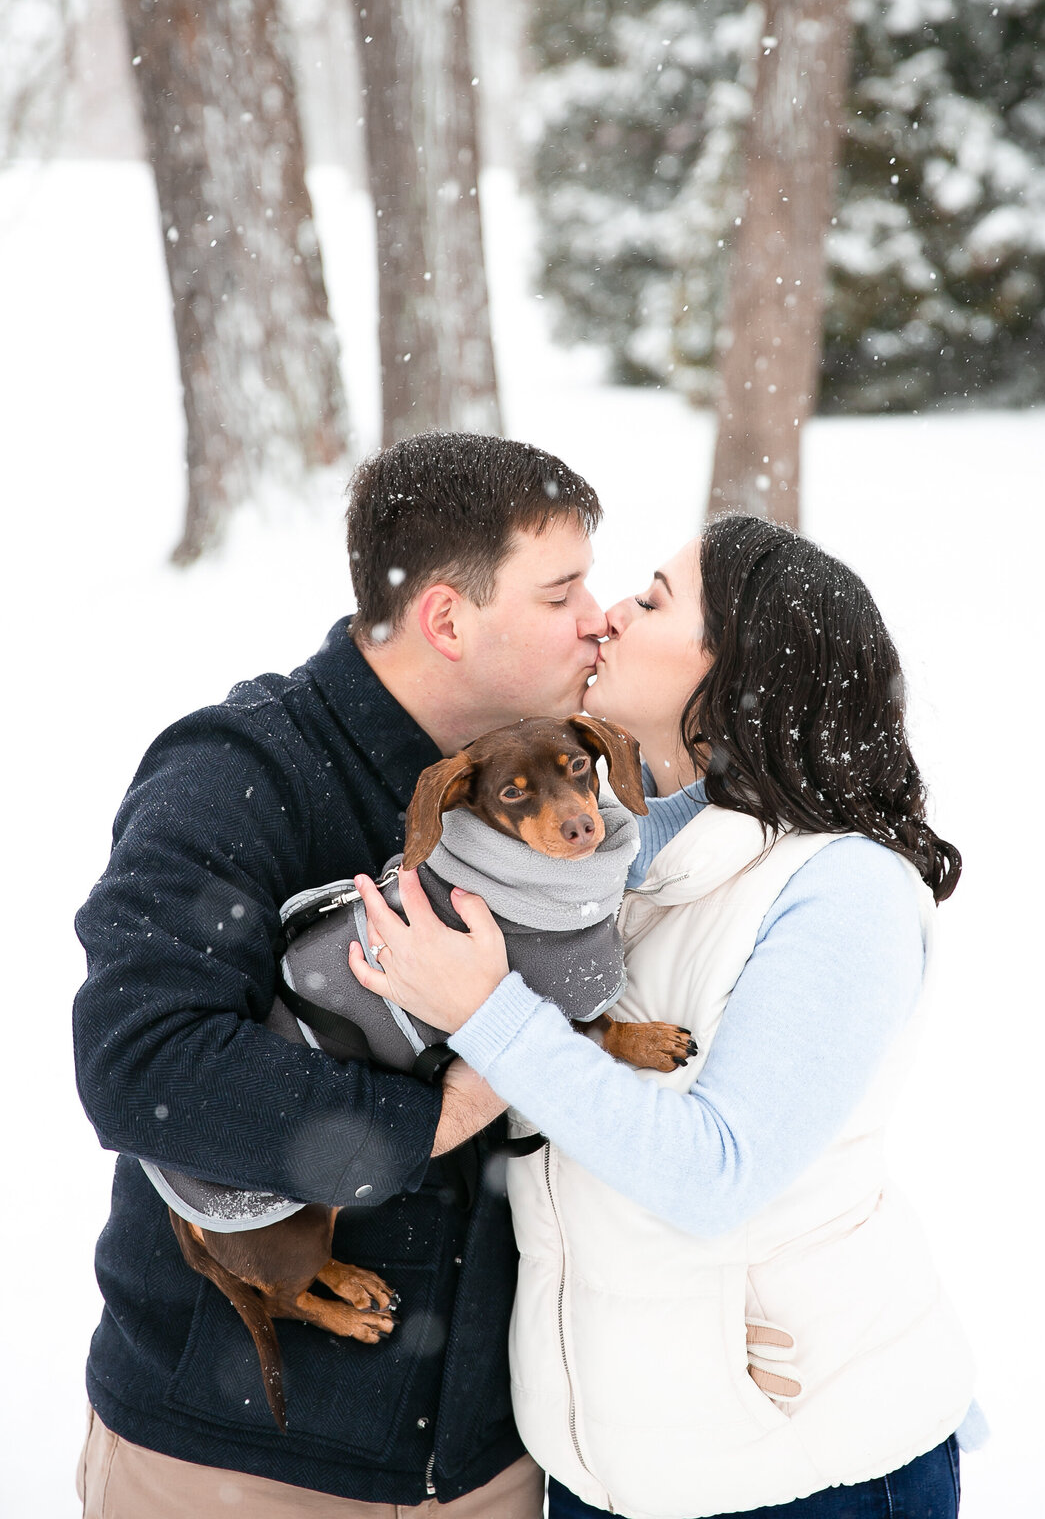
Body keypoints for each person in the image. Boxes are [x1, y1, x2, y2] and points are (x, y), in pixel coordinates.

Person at [350, 515, 981, 1519]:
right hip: (612, 1469)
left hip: (797, 1468)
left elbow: (717, 1174)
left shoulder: (841, 889)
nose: (603, 620)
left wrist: (489, 1014)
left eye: (648, 600)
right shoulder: (612, 865)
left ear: (736, 670)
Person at [72, 433, 609, 1517]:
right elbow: (138, 1066)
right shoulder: (237, 773)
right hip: (242, 1465)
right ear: (448, 620)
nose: (598, 617)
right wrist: (441, 1111)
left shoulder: (558, 779)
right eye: (562, 594)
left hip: (490, 1464)